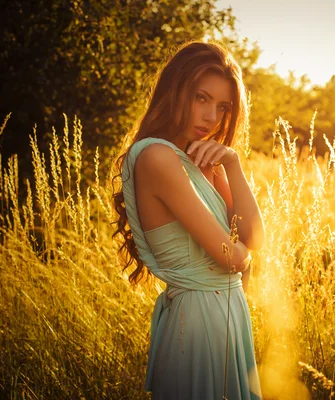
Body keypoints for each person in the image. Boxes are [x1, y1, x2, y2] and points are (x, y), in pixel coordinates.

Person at [112, 41, 264, 399]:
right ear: (175, 91)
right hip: (197, 320)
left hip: (225, 312)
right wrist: (243, 258)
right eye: (201, 98)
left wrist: (233, 163)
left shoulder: (200, 159)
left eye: (222, 107)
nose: (212, 117)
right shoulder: (157, 157)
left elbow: (255, 237)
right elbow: (232, 256)